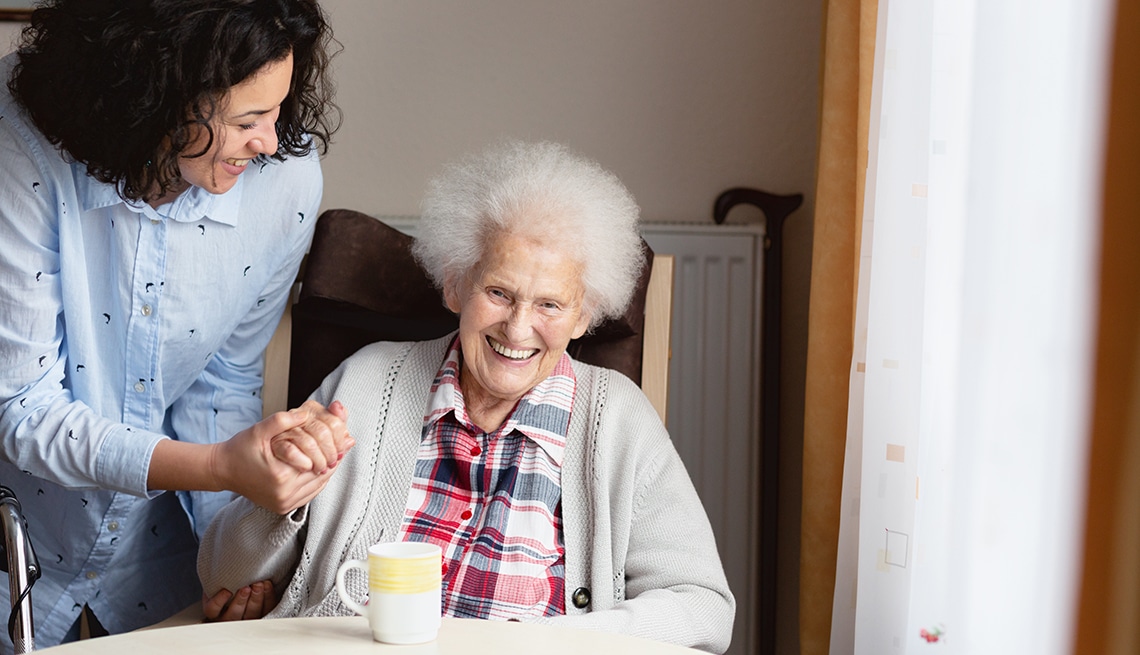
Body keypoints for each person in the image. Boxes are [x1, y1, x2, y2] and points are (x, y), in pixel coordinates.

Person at [198, 141, 736, 653]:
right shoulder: (366, 381)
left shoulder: (618, 420)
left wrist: (567, 643)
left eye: (550, 304)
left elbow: (703, 607)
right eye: (498, 293)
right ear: (456, 284)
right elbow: (220, 578)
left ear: (584, 315)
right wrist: (280, 493)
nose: (518, 328)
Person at [0, 0, 353, 649]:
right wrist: (220, 466)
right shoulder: (17, 146)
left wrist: (233, 558)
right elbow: (22, 410)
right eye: (248, 119)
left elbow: (223, 380)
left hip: (159, 555)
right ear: (156, 97)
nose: (271, 142)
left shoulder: (285, 182)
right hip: (20, 537)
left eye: (277, 110)